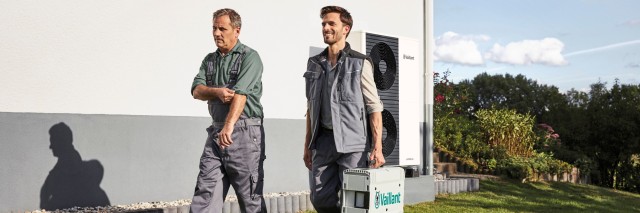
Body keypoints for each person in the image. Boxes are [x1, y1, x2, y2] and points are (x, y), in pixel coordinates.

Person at [303, 5, 386, 213]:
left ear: (345, 29)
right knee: (320, 198)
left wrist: (377, 147)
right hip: (323, 142)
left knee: (356, 203)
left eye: (332, 23)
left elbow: (374, 107)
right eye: (323, 24)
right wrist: (307, 144)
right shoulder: (314, 63)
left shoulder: (360, 62)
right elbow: (310, 107)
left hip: (353, 145)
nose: (326, 28)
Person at [189, 8, 266, 213]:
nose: (216, 33)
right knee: (205, 191)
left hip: (244, 132)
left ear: (237, 31)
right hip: (216, 132)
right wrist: (217, 92)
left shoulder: (250, 58)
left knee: (250, 198)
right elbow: (196, 90)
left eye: (222, 28)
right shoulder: (209, 60)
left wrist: (229, 126)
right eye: (214, 28)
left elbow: (241, 94)